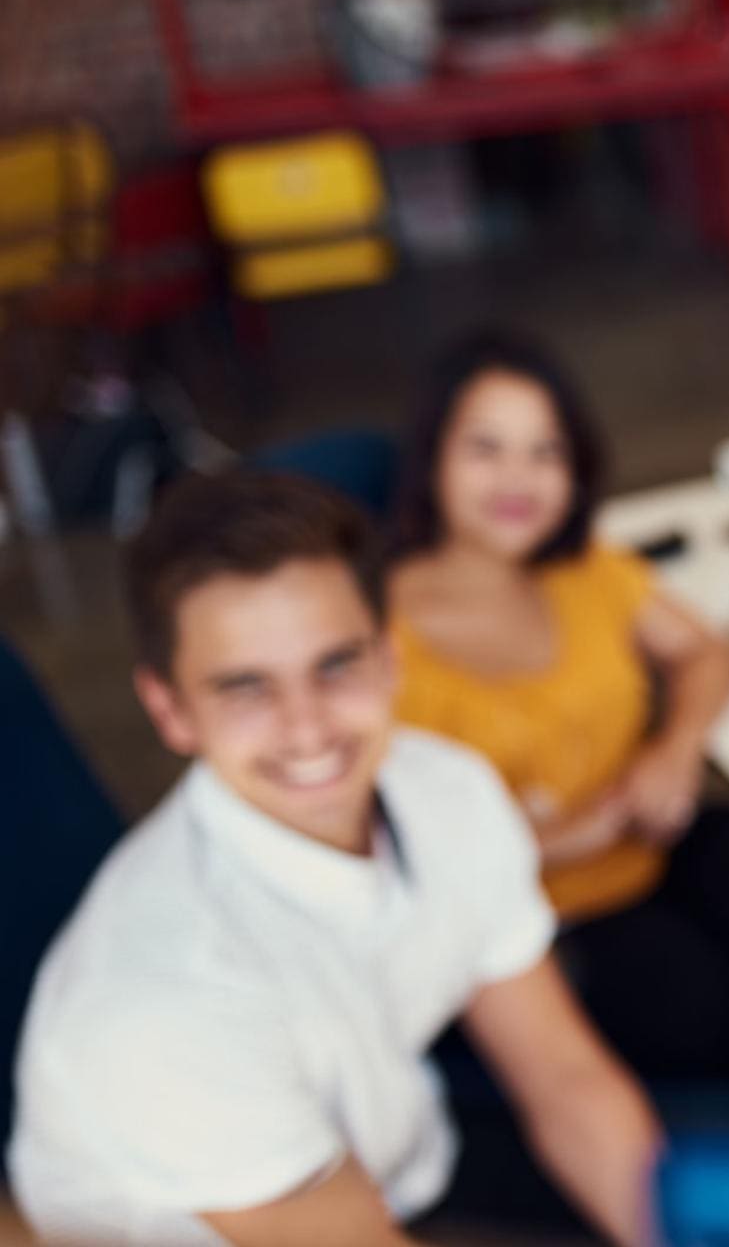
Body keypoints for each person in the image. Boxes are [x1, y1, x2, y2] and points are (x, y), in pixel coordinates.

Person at [8, 473, 660, 1245]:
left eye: (336, 665)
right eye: (247, 688)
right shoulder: (162, 1004)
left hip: (389, 1165)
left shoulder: (446, 789)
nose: (308, 728)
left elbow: (565, 1079)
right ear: (171, 711)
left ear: (389, 660)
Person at [384, 329, 729, 1119]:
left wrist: (675, 748)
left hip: (655, 837)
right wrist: (571, 839)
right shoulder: (379, 641)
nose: (518, 479)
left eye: (545, 452)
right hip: (538, 923)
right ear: (432, 459)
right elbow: (393, 863)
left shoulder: (582, 567)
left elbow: (704, 651)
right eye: (486, 450)